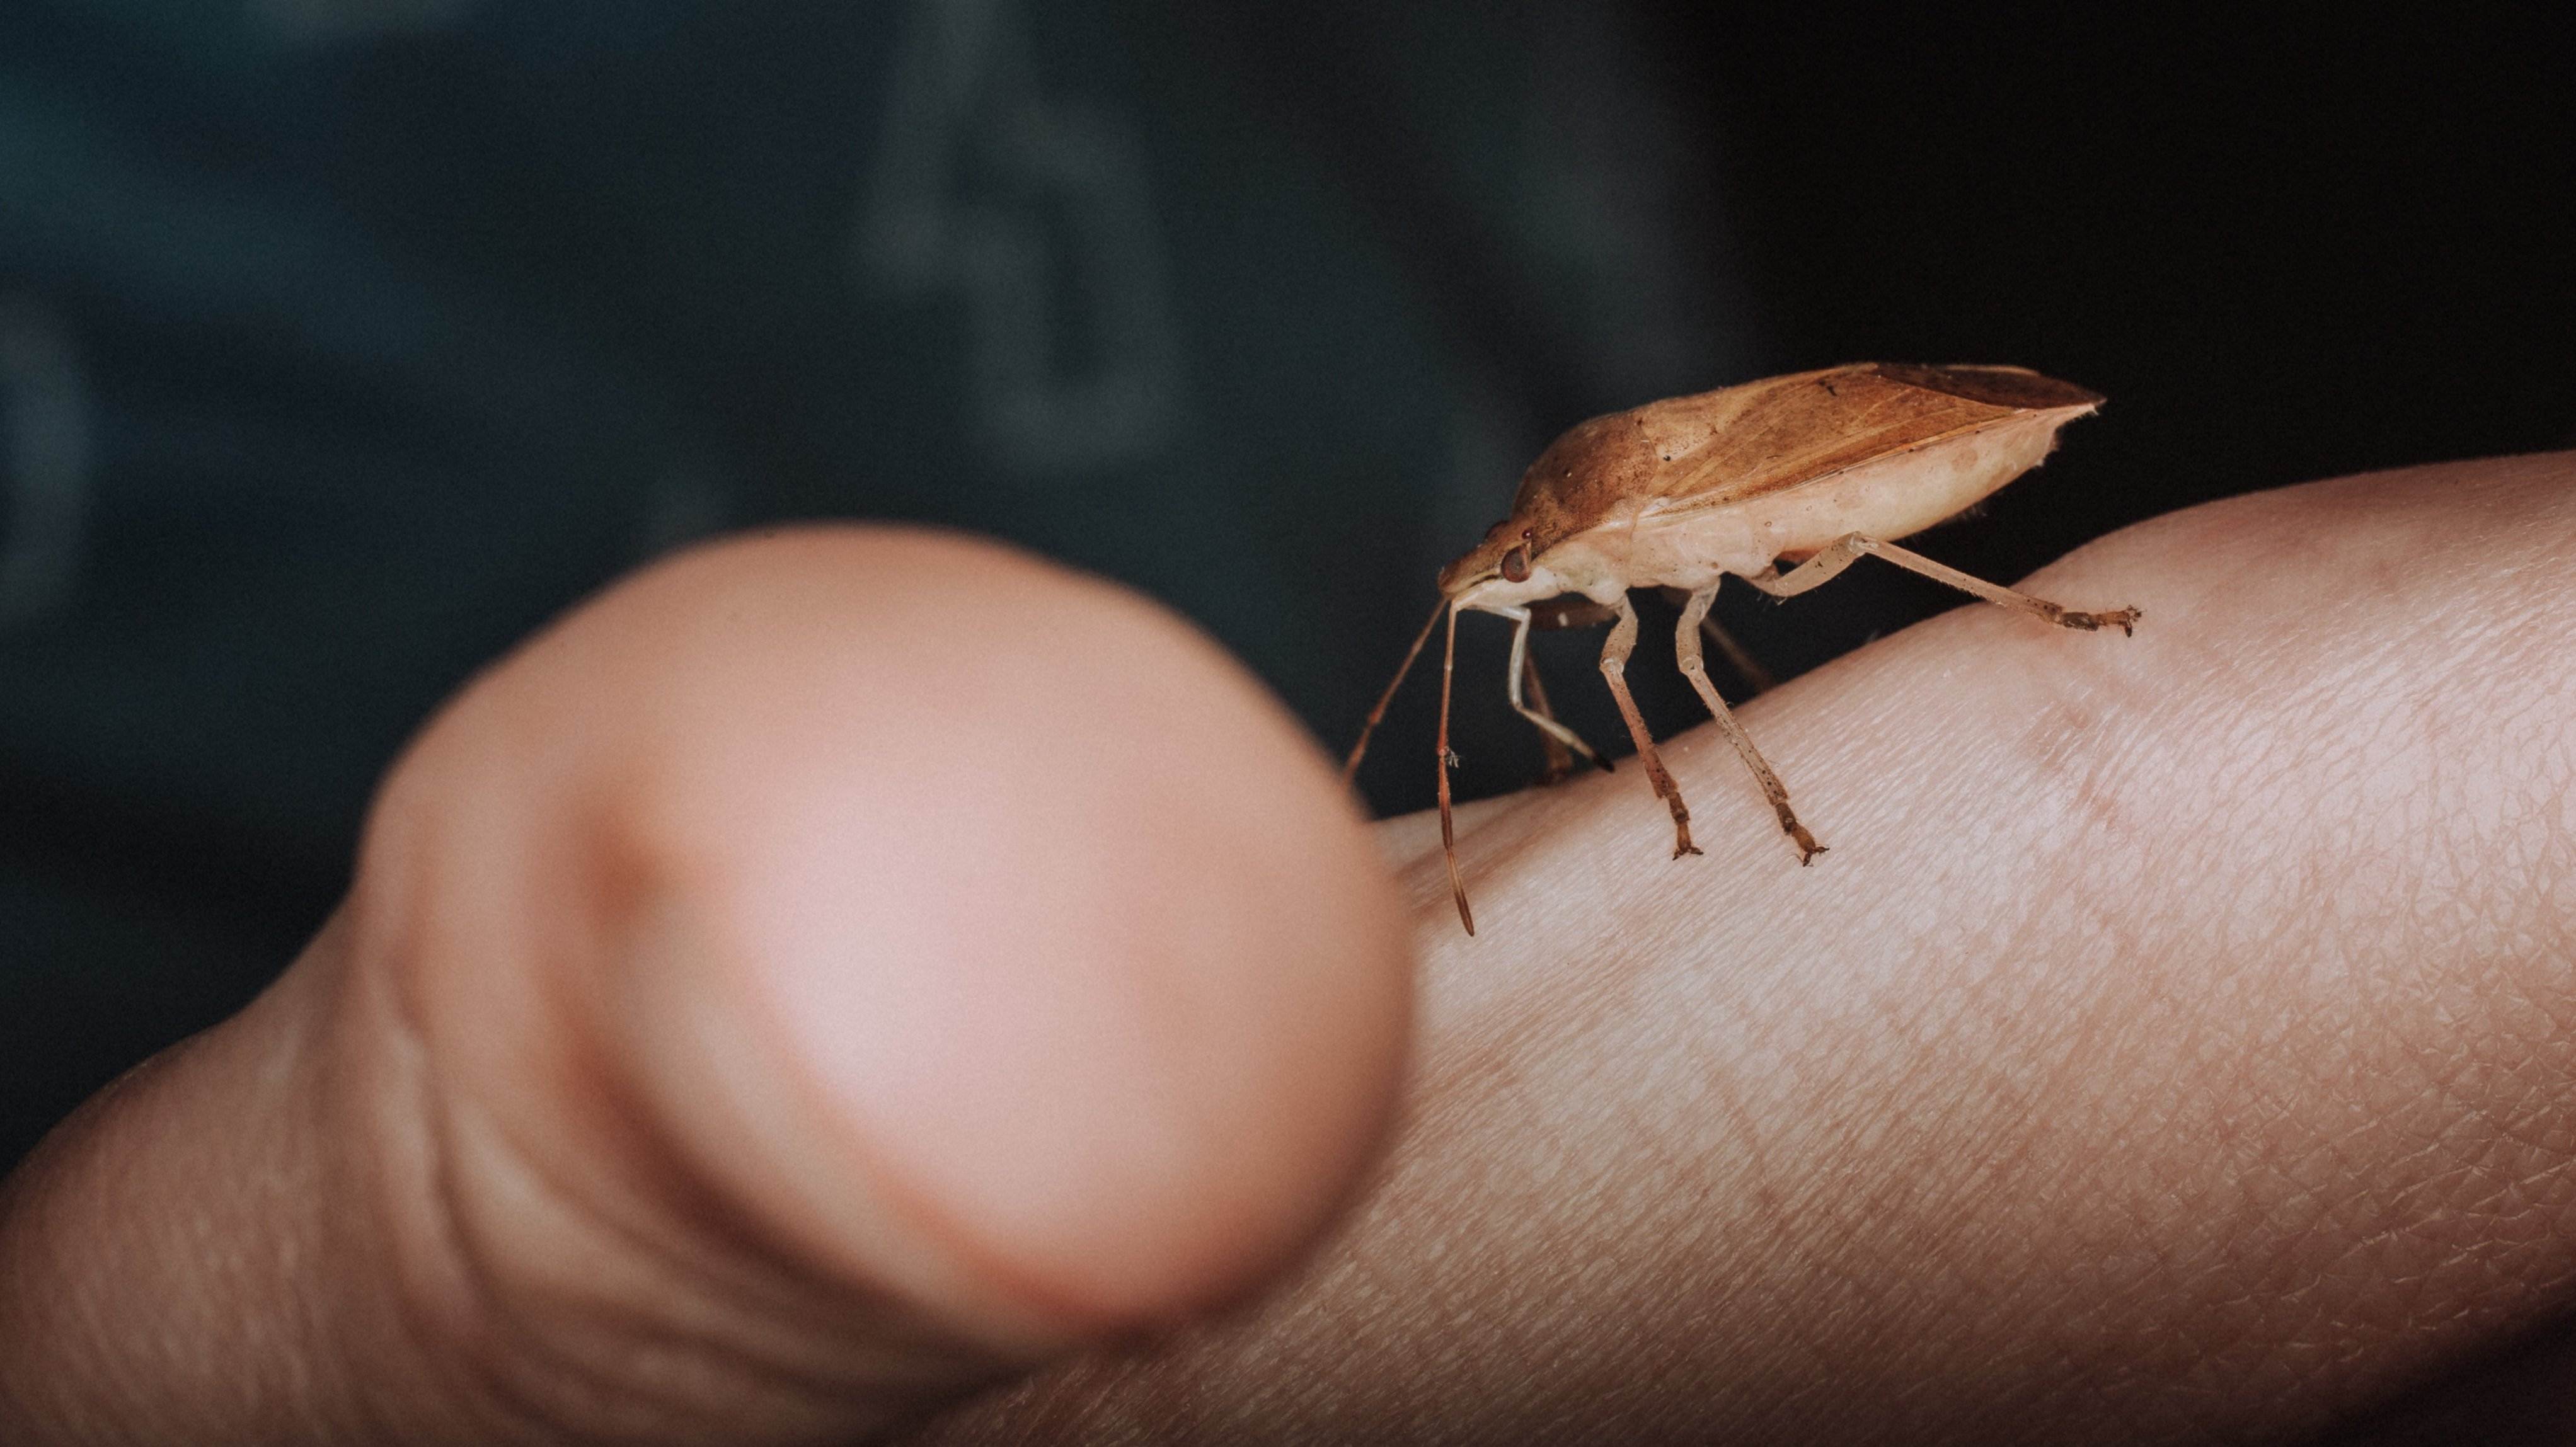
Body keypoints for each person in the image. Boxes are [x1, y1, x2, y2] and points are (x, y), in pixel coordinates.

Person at [5, 456, 2575, 1444]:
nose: (1481, 623)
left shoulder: (1582, 547)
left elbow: (1657, 640)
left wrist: (1702, 795)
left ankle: (2035, 649)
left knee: (1734, 644)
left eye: (1479, 597)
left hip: (1702, 426)